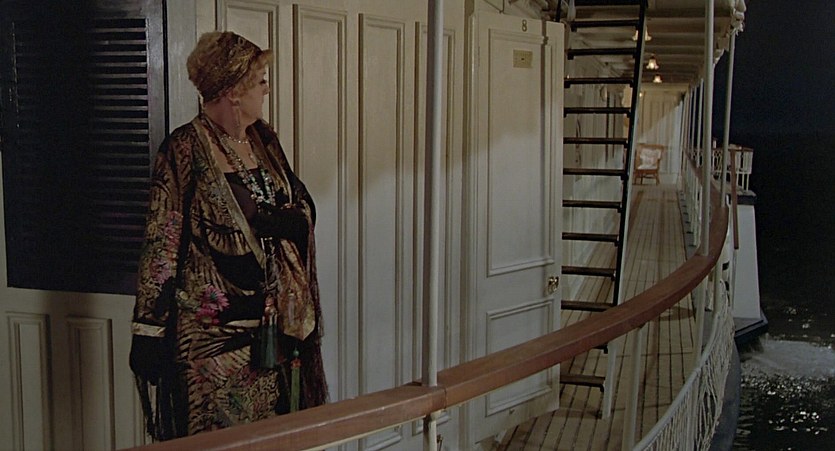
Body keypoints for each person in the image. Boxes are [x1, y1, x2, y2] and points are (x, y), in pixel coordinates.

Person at [129, 31, 327, 441]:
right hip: (211, 342)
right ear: (233, 91)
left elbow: (300, 201)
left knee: (274, 440)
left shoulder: (264, 139)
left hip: (273, 333)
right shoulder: (183, 149)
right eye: (260, 81)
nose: (266, 89)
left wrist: (292, 221)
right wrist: (148, 329)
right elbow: (162, 242)